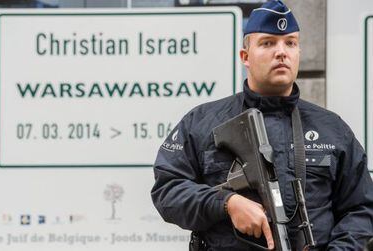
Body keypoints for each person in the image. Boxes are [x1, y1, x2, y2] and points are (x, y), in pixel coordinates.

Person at [151, 0, 373, 250]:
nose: (281, 52)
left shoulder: (332, 129)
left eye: (290, 43)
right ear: (245, 57)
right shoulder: (202, 122)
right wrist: (227, 203)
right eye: (268, 43)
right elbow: (168, 191)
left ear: (298, 52)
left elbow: (361, 209)